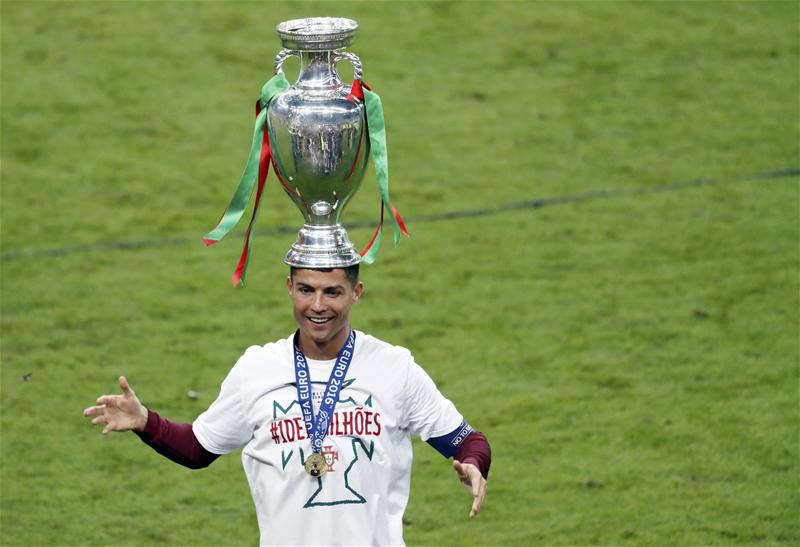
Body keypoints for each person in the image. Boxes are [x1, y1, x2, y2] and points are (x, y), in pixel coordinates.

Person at [83, 265, 491, 546]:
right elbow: (197, 448)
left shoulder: (394, 369)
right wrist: (144, 421)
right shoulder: (257, 370)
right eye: (306, 290)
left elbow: (466, 440)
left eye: (332, 292)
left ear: (356, 293)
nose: (318, 306)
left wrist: (473, 463)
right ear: (289, 288)